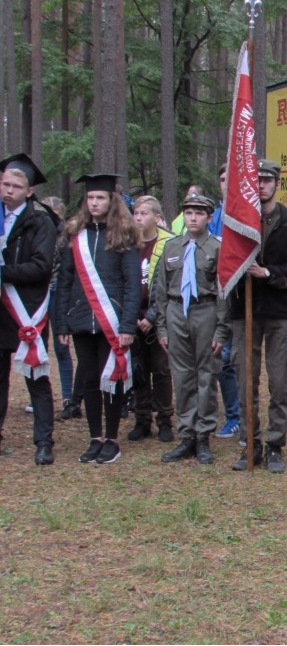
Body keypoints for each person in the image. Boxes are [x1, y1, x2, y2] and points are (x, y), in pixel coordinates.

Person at [228, 159, 287, 473]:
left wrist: (266, 272)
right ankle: (250, 444)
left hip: (278, 312)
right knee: (245, 381)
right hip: (244, 312)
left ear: (277, 183)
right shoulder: (237, 223)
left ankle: (275, 445)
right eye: (256, 180)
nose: (261, 185)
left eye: (266, 180)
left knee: (279, 382)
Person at [55, 173, 141, 465]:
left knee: (111, 380)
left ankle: (112, 439)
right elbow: (64, 280)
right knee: (89, 380)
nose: (94, 203)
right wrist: (62, 323)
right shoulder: (75, 235)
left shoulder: (124, 235)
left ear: (111, 200)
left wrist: (128, 325)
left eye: (100, 198)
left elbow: (132, 284)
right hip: (80, 319)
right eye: (90, 198)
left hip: (112, 321)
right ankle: (95, 438)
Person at [154, 193, 230, 465]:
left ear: (209, 218)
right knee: (183, 376)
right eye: (189, 213)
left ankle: (203, 436)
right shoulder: (172, 247)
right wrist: (162, 328)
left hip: (205, 310)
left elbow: (224, 292)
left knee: (206, 376)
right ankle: (186, 434)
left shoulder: (217, 248)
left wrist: (222, 330)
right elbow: (161, 290)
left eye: (199, 213)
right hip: (176, 311)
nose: (193, 218)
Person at [0, 154, 59, 464]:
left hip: (27, 310)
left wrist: (4, 271)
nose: (8, 190)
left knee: (35, 376)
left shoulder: (41, 221)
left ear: (29, 191)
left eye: (16, 186)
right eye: (5, 184)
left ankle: (43, 442)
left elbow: (40, 267)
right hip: (0, 308)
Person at [126, 195, 176, 443]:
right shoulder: (128, 243)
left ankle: (165, 419)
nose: (138, 217)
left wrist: (152, 316)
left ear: (157, 218)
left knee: (162, 370)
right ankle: (142, 419)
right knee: (138, 370)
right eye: (136, 213)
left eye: (144, 213)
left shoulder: (169, 244)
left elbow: (168, 285)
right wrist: (133, 316)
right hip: (133, 318)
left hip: (159, 319)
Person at [40, 195, 79, 423]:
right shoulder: (37, 233)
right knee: (38, 345)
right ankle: (41, 396)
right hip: (38, 293)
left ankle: (67, 397)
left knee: (61, 347)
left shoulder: (66, 236)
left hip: (57, 291)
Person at [211, 163, 241, 441]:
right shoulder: (213, 217)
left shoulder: (243, 215)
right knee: (217, 359)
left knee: (231, 359)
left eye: (230, 179)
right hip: (213, 299)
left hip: (237, 300)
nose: (225, 183)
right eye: (222, 179)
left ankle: (236, 416)